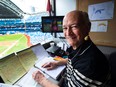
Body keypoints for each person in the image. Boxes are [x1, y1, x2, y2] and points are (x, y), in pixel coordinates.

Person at [32, 10, 109, 87]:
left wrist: (42, 80)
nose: (68, 33)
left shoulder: (90, 63)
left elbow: (82, 63)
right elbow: (73, 60)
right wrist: (56, 63)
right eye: (65, 28)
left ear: (87, 28)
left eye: (74, 26)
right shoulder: (80, 46)